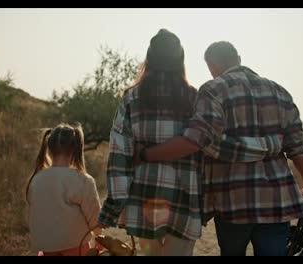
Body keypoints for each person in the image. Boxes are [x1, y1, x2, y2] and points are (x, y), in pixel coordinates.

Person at [96, 30, 283, 256]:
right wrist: (270, 145)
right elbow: (217, 146)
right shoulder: (197, 99)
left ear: (149, 58)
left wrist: (113, 207)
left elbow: (119, 155)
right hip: (185, 202)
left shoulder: (131, 99)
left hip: (143, 202)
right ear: (181, 59)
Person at [136, 41, 303, 256]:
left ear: (211, 65)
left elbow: (195, 140)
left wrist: (146, 154)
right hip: (276, 202)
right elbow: (300, 150)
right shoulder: (279, 92)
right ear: (238, 58)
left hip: (232, 202)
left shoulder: (213, 90)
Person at [26, 123, 102, 256]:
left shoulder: (36, 180)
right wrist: (99, 237)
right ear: (75, 149)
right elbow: (95, 218)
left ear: (49, 148)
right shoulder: (83, 180)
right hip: (77, 247)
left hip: (46, 249)